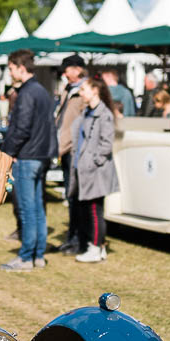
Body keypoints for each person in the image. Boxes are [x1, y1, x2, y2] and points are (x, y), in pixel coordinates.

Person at [0, 48, 56, 272]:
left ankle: (26, 257)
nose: (10, 73)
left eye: (12, 68)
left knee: (27, 209)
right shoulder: (42, 91)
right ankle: (38, 255)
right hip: (41, 155)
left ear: (21, 68)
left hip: (28, 155)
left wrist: (8, 152)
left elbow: (21, 128)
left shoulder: (27, 93)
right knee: (37, 209)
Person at [68, 74, 119, 263]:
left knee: (94, 210)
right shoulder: (87, 112)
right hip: (85, 169)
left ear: (95, 90)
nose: (81, 93)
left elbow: (106, 144)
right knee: (87, 210)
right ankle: (96, 245)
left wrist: (93, 161)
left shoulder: (103, 114)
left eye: (84, 89)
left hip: (95, 171)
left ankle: (96, 247)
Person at [53, 55, 87, 254]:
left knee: (76, 198)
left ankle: (78, 240)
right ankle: (72, 237)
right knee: (70, 196)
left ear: (77, 69)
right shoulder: (69, 89)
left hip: (76, 151)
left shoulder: (84, 91)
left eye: (68, 70)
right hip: (65, 150)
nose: (65, 74)